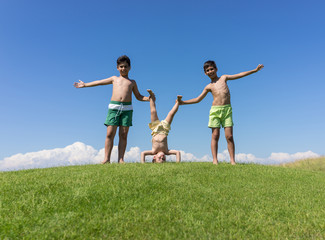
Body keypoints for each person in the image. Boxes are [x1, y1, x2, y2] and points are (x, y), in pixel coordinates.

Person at [179, 61, 264, 165]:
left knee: (229, 136)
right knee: (215, 135)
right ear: (205, 73)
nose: (210, 71)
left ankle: (232, 161)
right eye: (207, 70)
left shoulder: (224, 78)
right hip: (215, 111)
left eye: (211, 69)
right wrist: (183, 103)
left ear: (216, 69)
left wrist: (254, 71)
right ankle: (215, 160)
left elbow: (239, 75)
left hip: (227, 110)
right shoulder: (208, 87)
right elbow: (198, 99)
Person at [74, 55, 150, 164]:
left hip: (127, 109)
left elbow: (139, 96)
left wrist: (148, 98)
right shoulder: (114, 79)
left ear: (130, 68)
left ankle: (121, 159)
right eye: (121, 66)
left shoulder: (132, 82)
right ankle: (106, 159)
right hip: (114, 108)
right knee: (110, 133)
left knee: (123, 134)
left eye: (125, 66)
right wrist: (85, 85)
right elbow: (99, 82)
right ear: (117, 67)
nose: (123, 68)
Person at [141, 90, 182, 163]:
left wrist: (143, 164)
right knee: (171, 114)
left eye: (159, 159)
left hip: (155, 129)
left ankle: (151, 98)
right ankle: (178, 102)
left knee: (153, 112)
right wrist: (178, 163)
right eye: (164, 159)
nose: (162, 157)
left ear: (154, 157)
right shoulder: (167, 151)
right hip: (164, 130)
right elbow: (177, 152)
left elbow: (143, 153)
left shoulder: (153, 151)